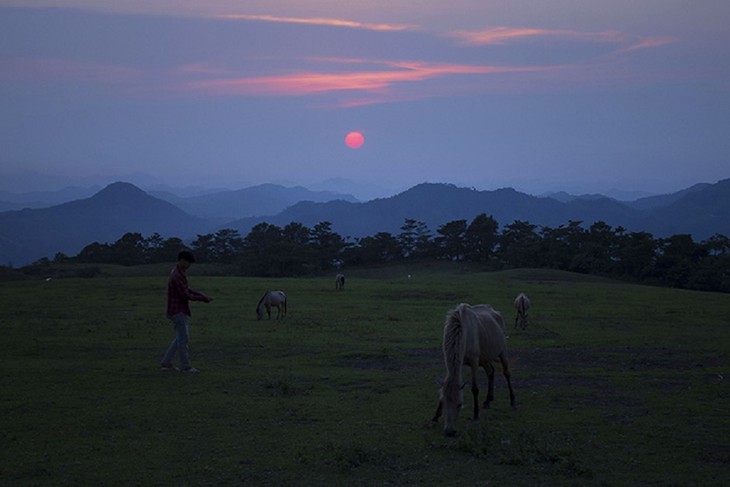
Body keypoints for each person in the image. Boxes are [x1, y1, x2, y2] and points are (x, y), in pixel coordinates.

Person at [160, 250, 212, 373]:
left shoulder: (178, 273)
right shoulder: (177, 275)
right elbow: (185, 295)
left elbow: (186, 289)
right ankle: (185, 365)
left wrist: (201, 295)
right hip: (178, 310)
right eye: (188, 262)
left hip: (176, 309)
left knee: (180, 338)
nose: (189, 266)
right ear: (182, 260)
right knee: (183, 339)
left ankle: (166, 362)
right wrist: (202, 299)